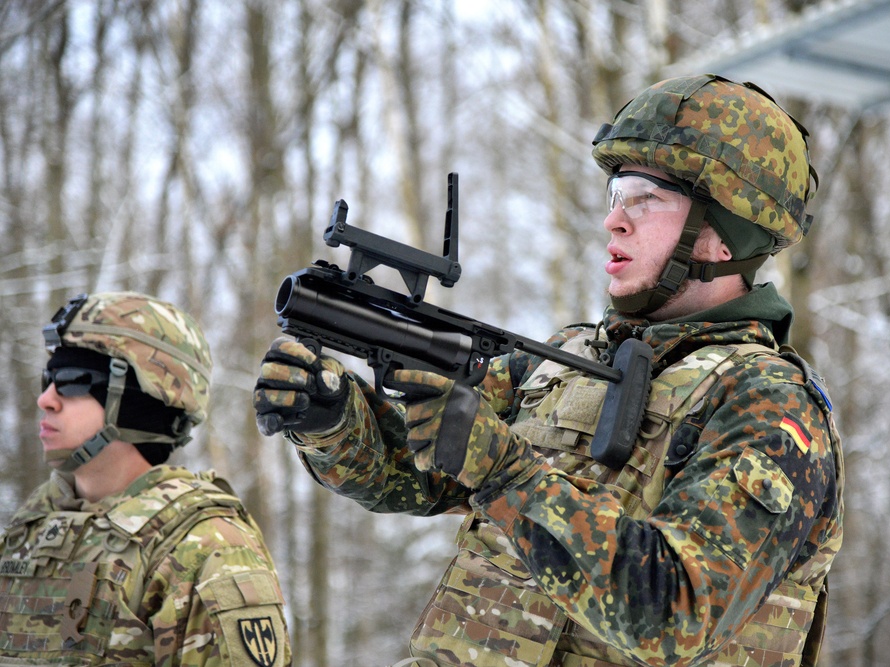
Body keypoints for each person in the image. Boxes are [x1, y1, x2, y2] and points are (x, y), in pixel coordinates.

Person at [254, 74, 844, 667]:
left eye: (648, 199)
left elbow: (675, 612)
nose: (614, 221)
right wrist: (333, 418)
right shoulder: (567, 358)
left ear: (722, 236)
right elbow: (422, 473)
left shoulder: (772, 406)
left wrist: (506, 472)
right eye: (616, 195)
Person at [1, 291, 291, 667]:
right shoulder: (34, 525)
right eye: (48, 379)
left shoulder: (206, 545)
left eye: (72, 381)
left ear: (141, 396)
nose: (46, 399)